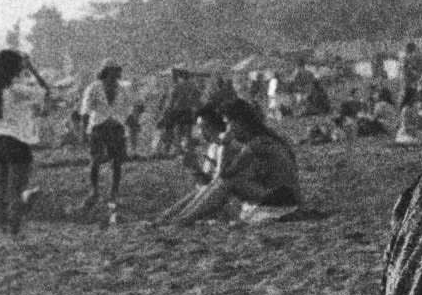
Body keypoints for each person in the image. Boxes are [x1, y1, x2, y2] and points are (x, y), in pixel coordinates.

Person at [162, 91, 303, 221]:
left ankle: (183, 219)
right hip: (283, 195)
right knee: (222, 184)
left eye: (229, 123)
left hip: (284, 198)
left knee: (228, 183)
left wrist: (223, 144)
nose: (227, 128)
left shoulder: (257, 143)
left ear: (240, 122)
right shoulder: (263, 138)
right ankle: (180, 217)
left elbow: (226, 174)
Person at [0, 48, 52, 234]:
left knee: (0, 188)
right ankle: (14, 228)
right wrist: (33, 69)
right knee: (17, 190)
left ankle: (2, 227)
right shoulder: (16, 89)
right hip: (17, 142)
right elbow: (45, 91)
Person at [79, 60, 131, 219]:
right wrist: (83, 129)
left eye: (118, 71)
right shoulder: (94, 87)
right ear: (106, 71)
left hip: (116, 127)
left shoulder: (122, 89)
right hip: (99, 126)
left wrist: (127, 122)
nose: (117, 74)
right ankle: (94, 189)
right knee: (95, 159)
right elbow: (86, 109)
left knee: (117, 161)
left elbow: (126, 108)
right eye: (114, 71)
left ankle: (113, 192)